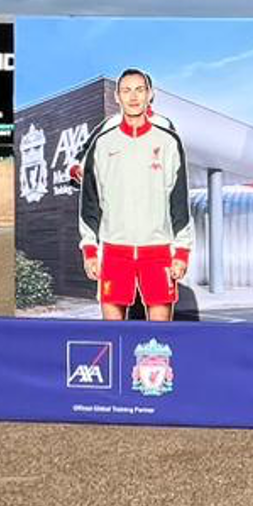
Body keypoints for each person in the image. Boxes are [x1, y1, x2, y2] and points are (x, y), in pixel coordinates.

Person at [78, 69, 193, 322]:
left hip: (158, 251)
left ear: (150, 95)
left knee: (160, 343)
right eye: (126, 90)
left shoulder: (168, 142)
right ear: (117, 96)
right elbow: (90, 203)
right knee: (113, 337)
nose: (133, 96)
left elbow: (179, 202)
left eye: (139, 89)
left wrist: (182, 252)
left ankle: (156, 363)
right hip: (114, 252)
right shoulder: (103, 144)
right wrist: (89, 250)